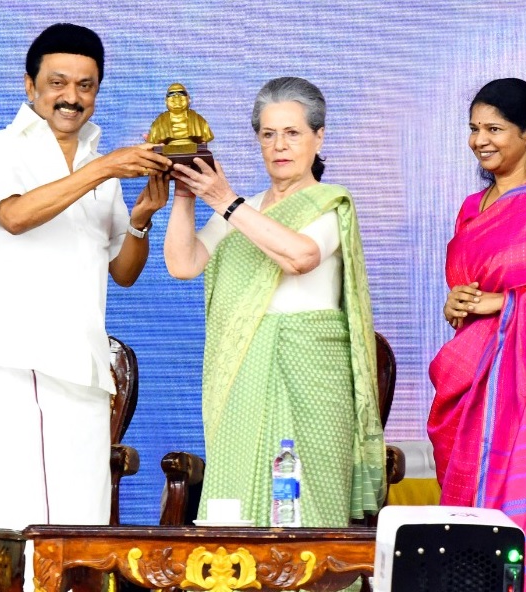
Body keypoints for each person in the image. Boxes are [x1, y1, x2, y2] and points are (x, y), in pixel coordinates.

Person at [0, 23, 172, 532]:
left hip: (86, 366)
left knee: (82, 527)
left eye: (85, 86)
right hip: (21, 360)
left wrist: (142, 218)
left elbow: (124, 271)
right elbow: (14, 216)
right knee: (19, 523)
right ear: (30, 85)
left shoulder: (99, 163)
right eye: (57, 83)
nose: (71, 98)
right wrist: (103, 170)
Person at [164, 77, 384, 529]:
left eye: (292, 133)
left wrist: (225, 201)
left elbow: (300, 257)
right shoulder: (244, 209)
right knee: (235, 506)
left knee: (309, 505)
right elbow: (183, 264)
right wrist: (185, 196)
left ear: (318, 137)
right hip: (243, 371)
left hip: (313, 379)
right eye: (268, 134)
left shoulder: (329, 203)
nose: (279, 145)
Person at [429, 78, 526, 590]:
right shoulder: (471, 208)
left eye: (494, 129)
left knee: (520, 511)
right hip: (470, 376)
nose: (480, 140)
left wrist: (509, 302)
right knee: (466, 516)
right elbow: (467, 289)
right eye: (474, 129)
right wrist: (455, 302)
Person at [147, 83, 214, 154]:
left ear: (188, 99)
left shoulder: (199, 120)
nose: (176, 96)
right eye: (171, 94)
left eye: (181, 93)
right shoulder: (158, 122)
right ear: (166, 101)